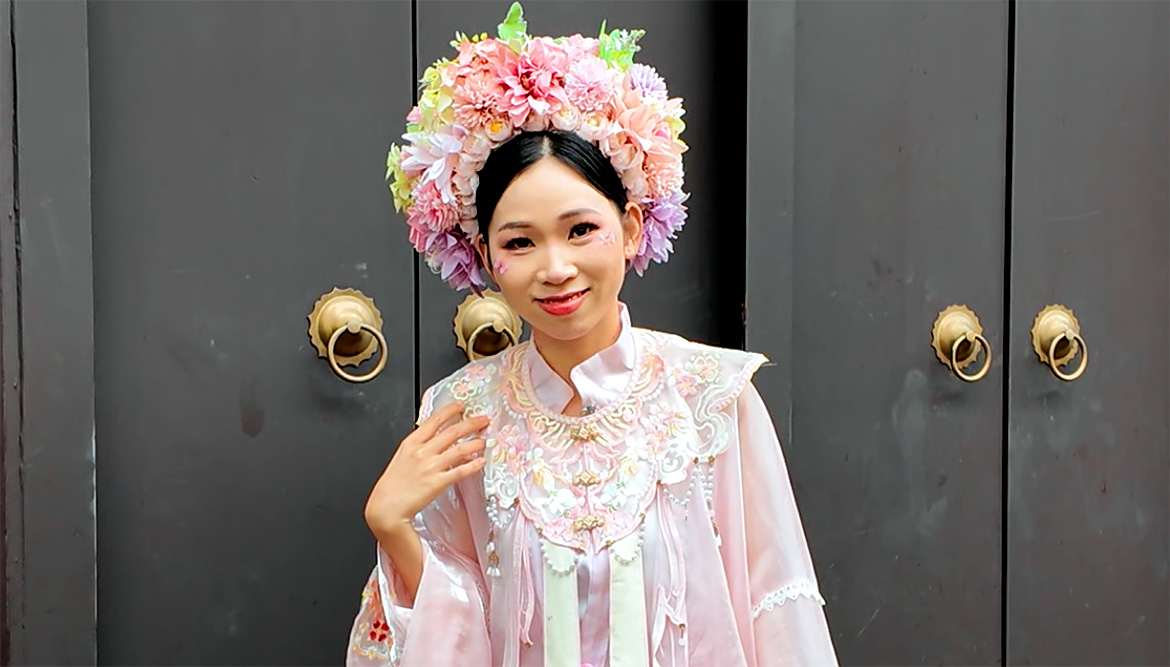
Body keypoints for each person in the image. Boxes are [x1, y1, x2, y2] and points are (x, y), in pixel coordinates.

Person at [347, 4, 837, 665]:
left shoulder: (713, 400)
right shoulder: (463, 414)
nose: (556, 267)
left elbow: (777, 606)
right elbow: (454, 624)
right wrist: (391, 522)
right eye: (519, 241)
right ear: (487, 259)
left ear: (631, 226)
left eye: (581, 229)